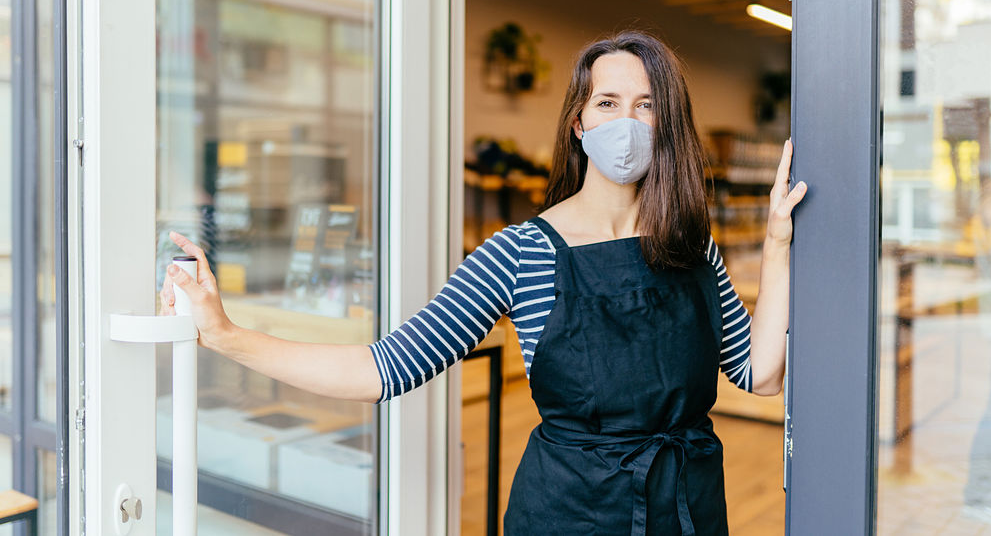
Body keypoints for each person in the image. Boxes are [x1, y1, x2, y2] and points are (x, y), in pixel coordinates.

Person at [160, 30, 807, 535]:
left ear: (664, 122)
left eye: (645, 105)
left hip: (688, 509)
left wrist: (778, 242)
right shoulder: (522, 253)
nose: (626, 122)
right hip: (570, 516)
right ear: (579, 125)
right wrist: (227, 336)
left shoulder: (691, 244)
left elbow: (761, 373)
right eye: (607, 103)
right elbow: (382, 369)